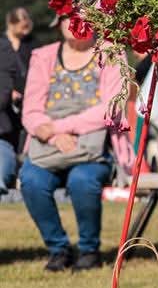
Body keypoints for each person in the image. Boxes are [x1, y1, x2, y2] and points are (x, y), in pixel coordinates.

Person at [18, 14, 121, 271]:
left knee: (82, 181)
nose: (70, 23)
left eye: (78, 18)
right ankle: (58, 248)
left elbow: (111, 108)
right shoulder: (43, 56)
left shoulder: (109, 53)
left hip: (93, 146)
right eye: (65, 18)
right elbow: (30, 111)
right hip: (49, 143)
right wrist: (54, 135)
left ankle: (89, 250)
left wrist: (62, 127)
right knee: (31, 180)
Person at [1, 7, 35, 189]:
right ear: (11, 24)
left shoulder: (30, 45)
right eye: (21, 27)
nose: (24, 32)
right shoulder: (2, 45)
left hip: (26, 99)